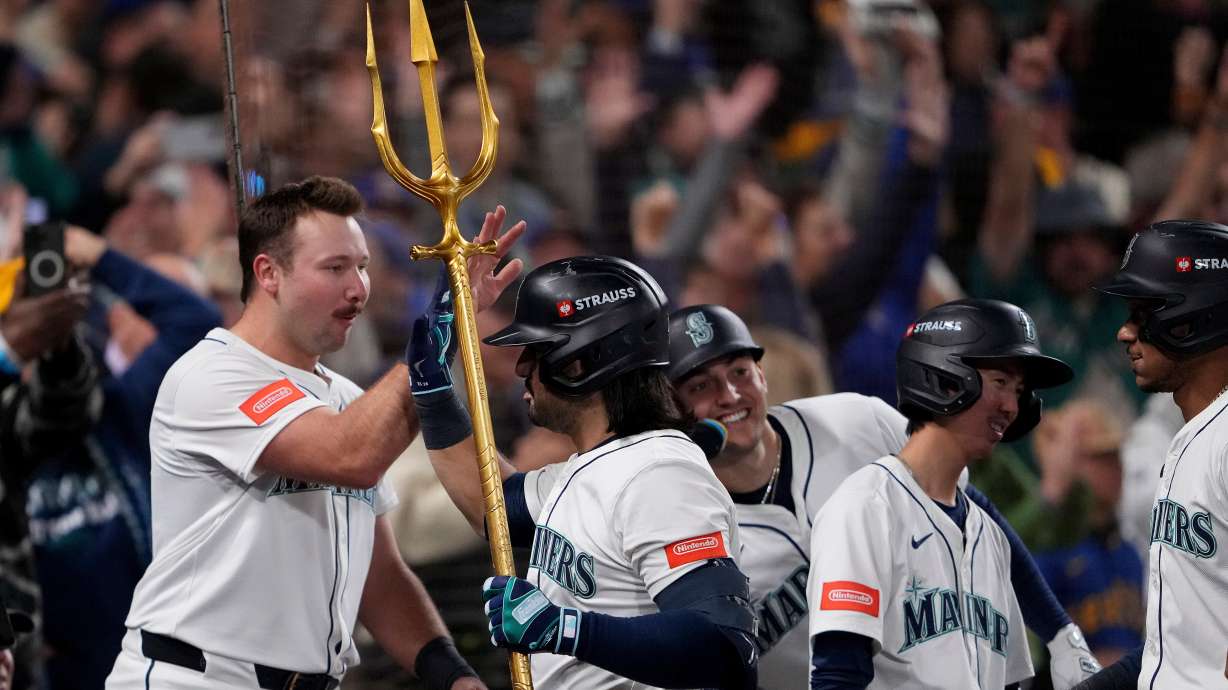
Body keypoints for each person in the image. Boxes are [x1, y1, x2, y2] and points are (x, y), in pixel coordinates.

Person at [104, 177, 520, 690]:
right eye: (334, 268)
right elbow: (351, 455)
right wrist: (442, 325)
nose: (357, 288)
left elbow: (379, 575)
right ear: (268, 273)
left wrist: (453, 675)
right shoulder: (211, 376)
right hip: (195, 677)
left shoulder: (345, 398)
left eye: (362, 266)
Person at [667, 304, 1099, 689]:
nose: (730, 395)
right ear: (674, 408)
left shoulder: (857, 421)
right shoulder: (684, 534)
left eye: (739, 372)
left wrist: (1060, 633)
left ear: (761, 374)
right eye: (701, 386)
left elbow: (974, 512)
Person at [410, 255, 758, 689]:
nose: (522, 368)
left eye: (535, 351)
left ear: (577, 363)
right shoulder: (602, 467)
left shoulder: (658, 474)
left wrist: (567, 630)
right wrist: (433, 387)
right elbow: (491, 505)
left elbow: (725, 648)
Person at [806, 298, 1073, 689]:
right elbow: (837, 675)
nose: (1012, 406)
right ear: (944, 377)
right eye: (1000, 382)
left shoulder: (989, 535)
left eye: (1018, 391)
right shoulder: (866, 507)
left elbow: (1010, 682)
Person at [1072, 220, 1228, 688]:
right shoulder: (1192, 435)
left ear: (1197, 315)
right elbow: (1179, 643)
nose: (1124, 333)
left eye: (1142, 313)